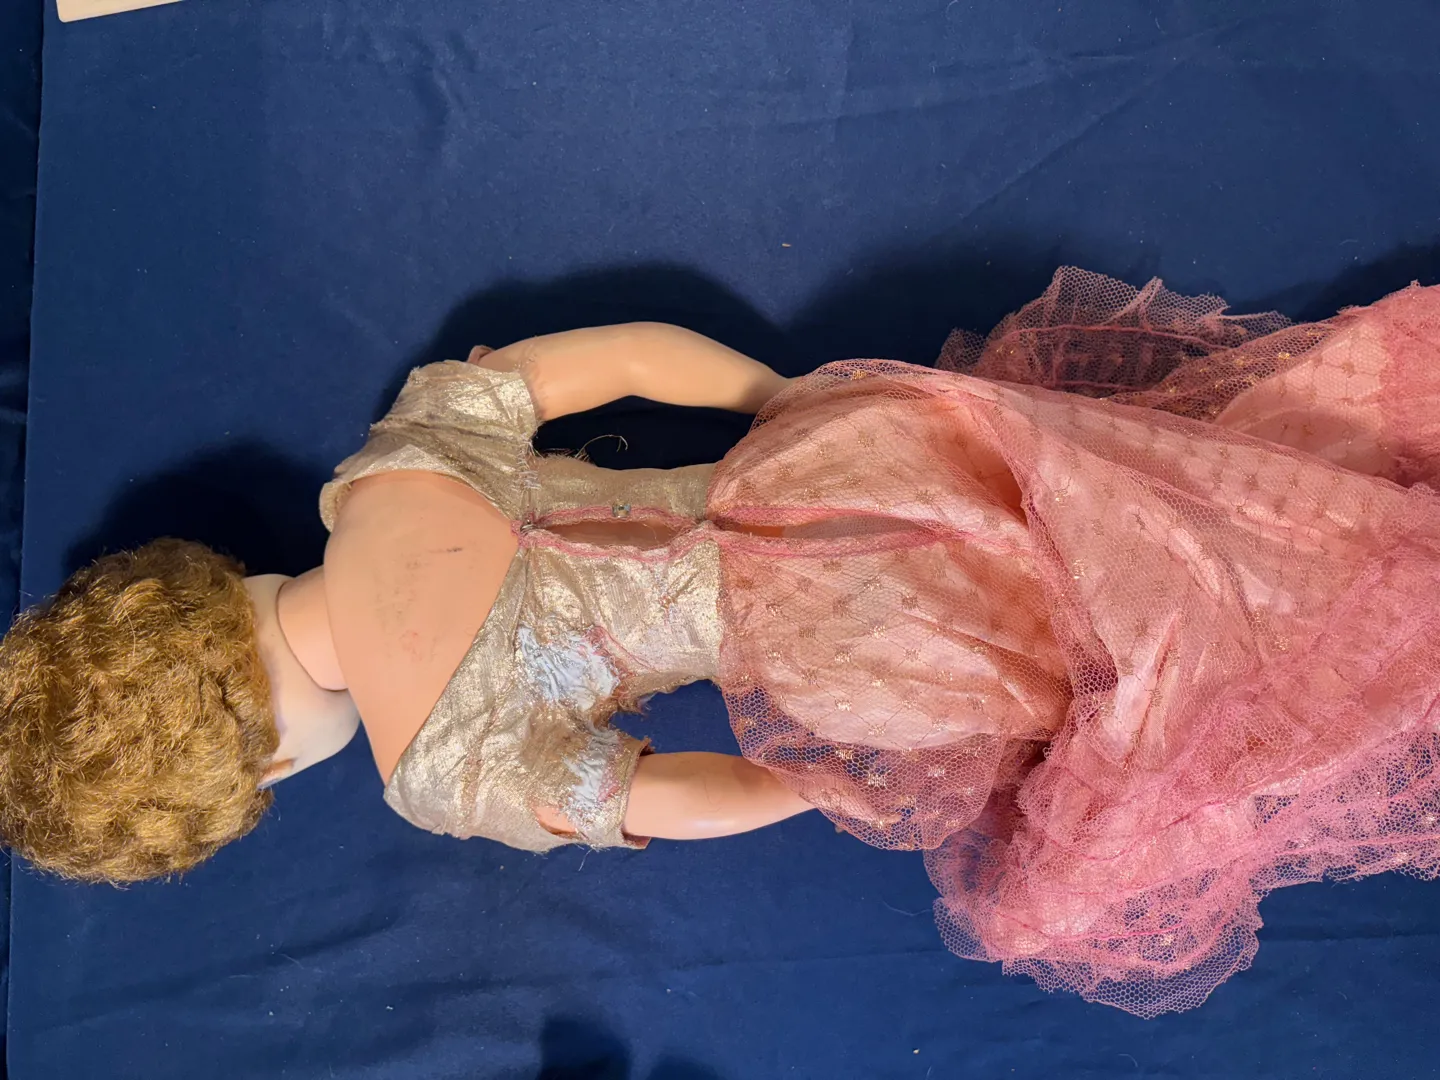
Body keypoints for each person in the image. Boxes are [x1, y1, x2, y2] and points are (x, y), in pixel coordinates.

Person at [3, 267, 1439, 1017]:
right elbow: (621, 356)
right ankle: (1327, 541)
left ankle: (1345, 636)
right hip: (824, 472)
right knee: (1129, 500)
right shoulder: (391, 467)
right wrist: (782, 402)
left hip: (842, 647)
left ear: (260, 772)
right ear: (203, 581)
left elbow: (665, 797)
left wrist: (817, 783)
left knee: (1116, 679)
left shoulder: (438, 770)